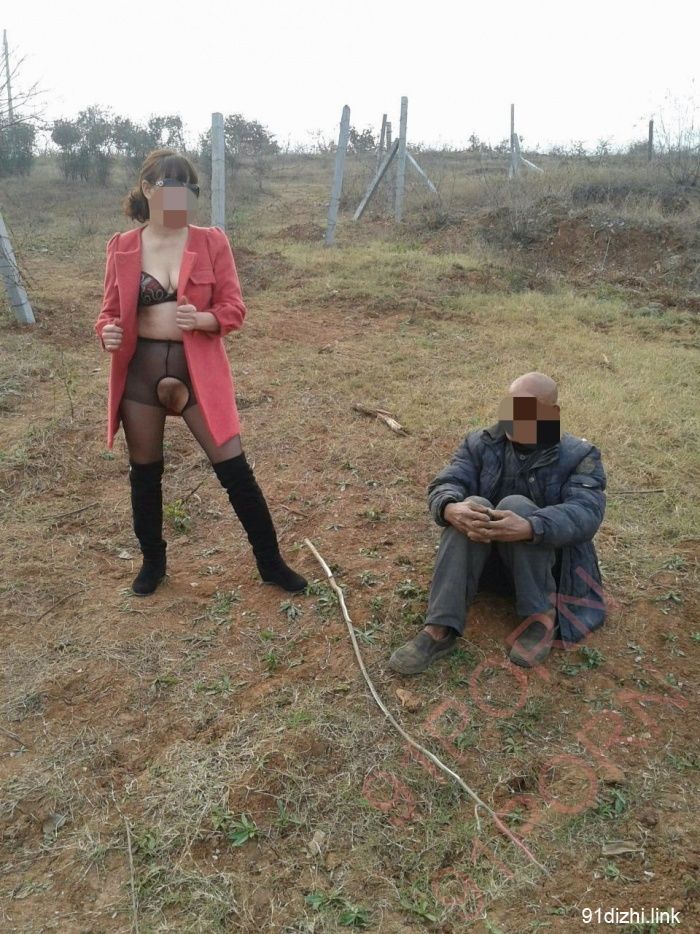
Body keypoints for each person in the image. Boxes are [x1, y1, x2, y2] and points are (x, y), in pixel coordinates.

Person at [95, 149, 306, 597]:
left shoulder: (211, 241)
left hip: (199, 373)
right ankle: (153, 564)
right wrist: (107, 332)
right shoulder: (123, 246)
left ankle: (271, 563)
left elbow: (234, 308)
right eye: (173, 187)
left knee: (235, 469)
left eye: (190, 189)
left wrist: (205, 319)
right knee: (144, 474)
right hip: (139, 375)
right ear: (148, 190)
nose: (184, 197)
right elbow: (109, 313)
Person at [388, 372, 607, 674]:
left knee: (517, 506)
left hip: (547, 571)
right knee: (473, 506)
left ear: (552, 413)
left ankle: (541, 619)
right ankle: (439, 628)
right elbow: (448, 481)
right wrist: (450, 507)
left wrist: (531, 527)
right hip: (488, 566)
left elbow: (586, 512)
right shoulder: (480, 443)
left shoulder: (579, 456)